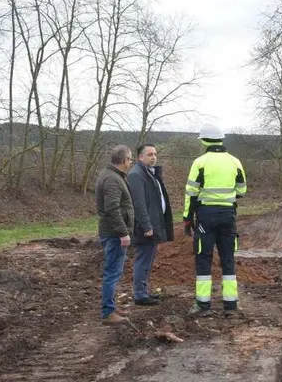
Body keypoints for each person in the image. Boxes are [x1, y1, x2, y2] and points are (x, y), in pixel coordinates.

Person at [183, 123, 247, 317]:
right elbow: (242, 190)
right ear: (221, 138)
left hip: (206, 216)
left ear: (203, 140)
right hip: (228, 215)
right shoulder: (235, 161)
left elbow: (191, 193)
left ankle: (203, 305)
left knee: (204, 258)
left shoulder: (199, 162)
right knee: (228, 259)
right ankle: (231, 304)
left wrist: (187, 218)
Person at [127, 143, 174, 306]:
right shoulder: (136, 175)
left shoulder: (150, 173)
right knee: (143, 259)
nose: (153, 157)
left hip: (153, 224)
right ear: (140, 157)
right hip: (144, 227)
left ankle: (144, 291)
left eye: (155, 154)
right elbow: (138, 204)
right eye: (149, 154)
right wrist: (146, 226)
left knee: (148, 259)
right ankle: (140, 294)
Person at [95, 145, 135, 324]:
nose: (131, 162)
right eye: (130, 159)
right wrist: (123, 232)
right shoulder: (112, 179)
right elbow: (112, 209)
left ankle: (111, 306)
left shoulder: (113, 175)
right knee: (112, 272)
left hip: (113, 233)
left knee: (114, 271)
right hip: (113, 234)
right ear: (124, 160)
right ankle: (108, 313)